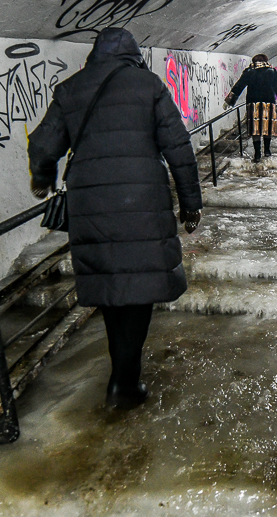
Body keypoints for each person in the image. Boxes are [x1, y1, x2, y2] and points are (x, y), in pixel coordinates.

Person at [28, 28, 202, 410]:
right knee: (138, 290)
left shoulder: (70, 89)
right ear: (133, 55)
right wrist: (191, 204)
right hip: (141, 203)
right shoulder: (149, 85)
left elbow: (42, 143)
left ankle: (122, 376)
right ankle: (124, 381)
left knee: (111, 288)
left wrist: (43, 178)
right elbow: (178, 147)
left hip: (91, 205)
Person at [224, 53, 277, 162]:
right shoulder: (271, 71)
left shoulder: (249, 71)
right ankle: (267, 151)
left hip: (253, 104)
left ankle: (257, 153)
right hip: (269, 104)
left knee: (255, 129)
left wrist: (229, 100)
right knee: (267, 128)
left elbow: (239, 86)